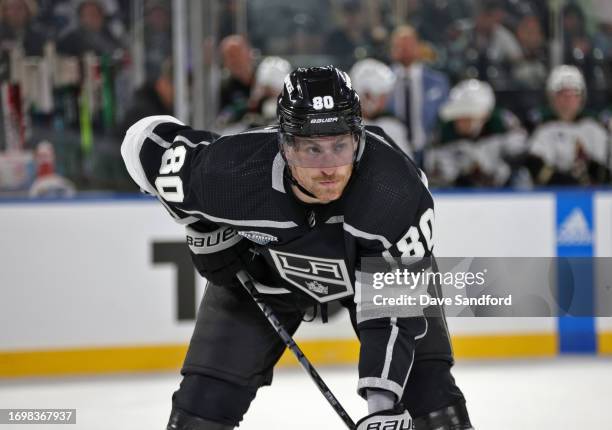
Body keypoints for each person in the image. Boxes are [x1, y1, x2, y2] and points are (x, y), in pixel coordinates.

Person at [121, 66, 472, 429]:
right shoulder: (230, 173)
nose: (329, 168)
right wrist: (201, 224)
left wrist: (381, 407)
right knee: (201, 409)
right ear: (285, 145)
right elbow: (141, 139)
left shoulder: (394, 192)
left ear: (359, 137)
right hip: (265, 276)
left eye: (340, 145)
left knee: (433, 404)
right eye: (311, 149)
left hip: (376, 276)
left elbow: (393, 316)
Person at [426, 79, 528, 188]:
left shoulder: (503, 123)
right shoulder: (444, 132)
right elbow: (436, 171)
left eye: (466, 117)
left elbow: (520, 152)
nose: (460, 122)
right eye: (457, 117)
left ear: (483, 116)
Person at [526, 65, 611, 186]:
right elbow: (535, 166)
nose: (568, 100)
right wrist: (567, 182)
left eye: (574, 93)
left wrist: (591, 167)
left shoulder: (594, 127)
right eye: (562, 94)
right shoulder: (544, 129)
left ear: (582, 97)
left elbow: (605, 172)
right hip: (554, 194)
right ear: (552, 97)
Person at [388, 25, 449, 167]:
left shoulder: (438, 82)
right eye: (400, 46)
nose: (405, 50)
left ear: (419, 47)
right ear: (392, 50)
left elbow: (444, 115)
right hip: (393, 151)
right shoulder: (382, 82)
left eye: (409, 44)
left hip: (429, 151)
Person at [350, 58, 412, 159]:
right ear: (367, 95)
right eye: (382, 96)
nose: (385, 101)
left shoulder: (393, 127)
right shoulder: (343, 129)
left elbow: (410, 169)